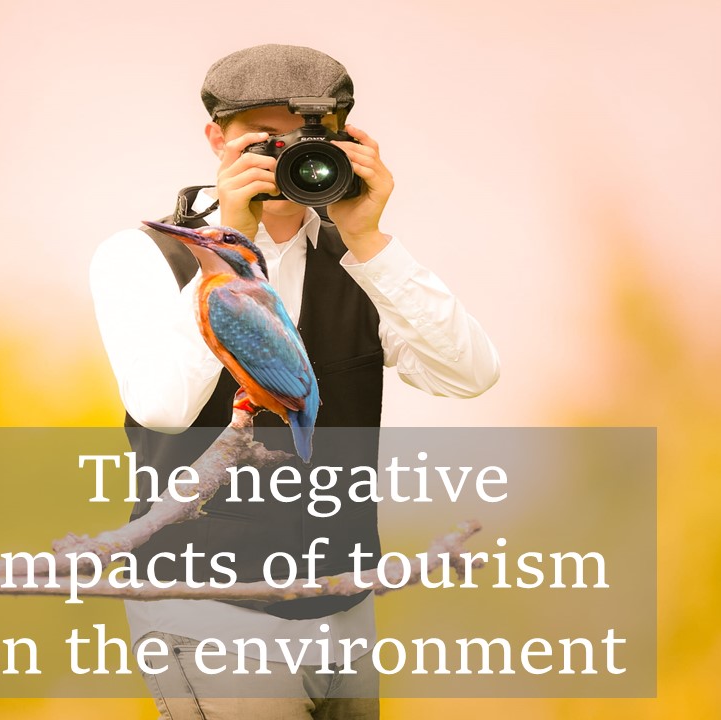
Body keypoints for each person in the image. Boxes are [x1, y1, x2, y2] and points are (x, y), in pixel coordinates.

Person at [89, 43, 499, 720]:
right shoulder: (145, 254)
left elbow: (470, 374)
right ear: (215, 139)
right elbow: (161, 407)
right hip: (207, 602)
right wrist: (229, 240)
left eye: (306, 140)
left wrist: (369, 238)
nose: (285, 160)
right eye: (263, 139)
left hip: (344, 599)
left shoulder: (363, 264)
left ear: (343, 143)